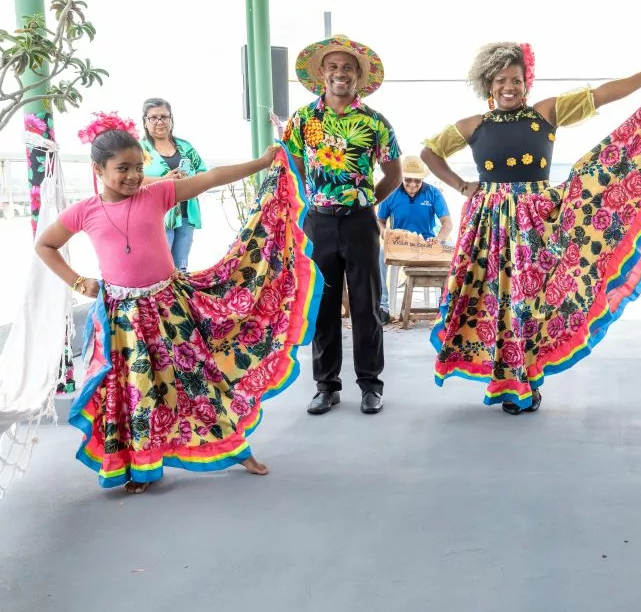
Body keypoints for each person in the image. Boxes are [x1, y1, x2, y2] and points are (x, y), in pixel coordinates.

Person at [34, 112, 319, 494]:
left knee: (198, 381)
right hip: (123, 321)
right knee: (137, 391)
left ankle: (236, 449)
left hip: (170, 309)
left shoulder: (158, 193)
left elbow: (211, 178)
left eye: (138, 167)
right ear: (98, 169)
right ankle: (141, 467)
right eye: (123, 168)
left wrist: (260, 163)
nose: (133, 176)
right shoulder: (84, 211)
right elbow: (45, 245)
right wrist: (78, 281)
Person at [420, 41, 641, 415]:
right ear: (488, 84)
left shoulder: (546, 113)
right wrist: (461, 185)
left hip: (537, 222)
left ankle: (526, 380)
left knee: (530, 303)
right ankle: (506, 379)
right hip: (488, 225)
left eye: (517, 80)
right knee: (493, 301)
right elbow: (429, 152)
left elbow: (601, 95)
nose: (509, 87)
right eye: (500, 80)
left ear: (528, 83)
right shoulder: (473, 125)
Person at [282, 34, 402, 416]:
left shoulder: (375, 122)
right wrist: (319, 197)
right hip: (318, 222)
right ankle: (326, 386)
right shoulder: (302, 120)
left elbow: (394, 174)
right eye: (333, 67)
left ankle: (370, 385)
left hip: (360, 222)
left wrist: (363, 201)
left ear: (358, 76)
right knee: (324, 306)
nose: (340, 73)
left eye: (348, 68)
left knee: (366, 305)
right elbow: (293, 166)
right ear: (321, 73)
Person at [376, 155, 453, 322]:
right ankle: (383, 306)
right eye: (408, 180)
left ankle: (446, 305)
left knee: (452, 247)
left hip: (426, 243)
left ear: (422, 179)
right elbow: (380, 220)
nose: (412, 185)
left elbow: (447, 223)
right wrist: (385, 233)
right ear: (402, 177)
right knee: (379, 254)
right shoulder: (392, 193)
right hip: (399, 243)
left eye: (417, 181)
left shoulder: (433, 193)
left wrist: (438, 240)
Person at [139, 98, 208, 271]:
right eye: (153, 118)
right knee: (160, 268)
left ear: (171, 119)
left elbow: (202, 170)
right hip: (157, 216)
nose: (159, 122)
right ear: (145, 121)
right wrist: (166, 180)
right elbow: (132, 180)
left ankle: (180, 299)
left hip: (186, 213)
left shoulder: (185, 147)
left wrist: (192, 183)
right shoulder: (138, 149)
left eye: (164, 116)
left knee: (181, 268)